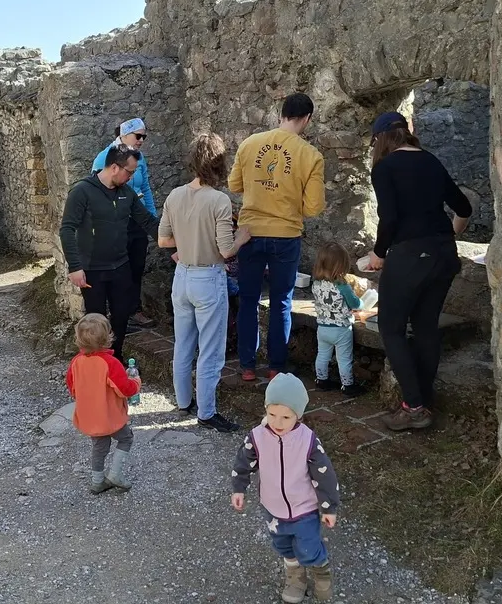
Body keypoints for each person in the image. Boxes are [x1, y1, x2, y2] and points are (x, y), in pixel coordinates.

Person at [363, 111, 472, 431]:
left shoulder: (384, 168)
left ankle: (413, 407)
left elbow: (391, 219)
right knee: (425, 325)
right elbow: (463, 208)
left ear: (381, 139)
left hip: (409, 255)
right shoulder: (431, 160)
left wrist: (378, 253)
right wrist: (448, 235)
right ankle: (423, 400)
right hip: (443, 255)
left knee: (390, 326)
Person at [156, 132, 251, 433]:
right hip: (207, 278)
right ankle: (207, 412)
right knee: (211, 349)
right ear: (220, 163)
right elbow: (226, 250)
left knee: (183, 343)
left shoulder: (174, 195)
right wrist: (243, 236)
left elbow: (162, 240)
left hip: (182, 276)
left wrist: (187, 242)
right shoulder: (219, 200)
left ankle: (184, 402)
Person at [229, 93, 327, 382]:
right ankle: (276, 366)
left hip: (251, 233)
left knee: (248, 299)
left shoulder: (249, 144)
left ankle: (247, 365)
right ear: (307, 119)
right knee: (281, 301)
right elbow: (313, 207)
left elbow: (234, 185)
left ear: (280, 113)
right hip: (285, 235)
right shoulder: (310, 155)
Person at [231, 373, 339, 603]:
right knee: (283, 546)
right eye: (271, 414)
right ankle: (296, 577)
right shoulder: (257, 437)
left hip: (304, 509)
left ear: (298, 416)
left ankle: (321, 572)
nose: (278, 422)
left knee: (308, 548)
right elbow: (243, 463)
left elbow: (324, 474)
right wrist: (239, 488)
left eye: (286, 417)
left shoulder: (307, 440)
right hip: (272, 508)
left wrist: (329, 507)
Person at [60, 146, 159, 362]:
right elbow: (67, 228)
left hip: (120, 267)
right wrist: (75, 267)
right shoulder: (82, 191)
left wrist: (177, 245)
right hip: (92, 270)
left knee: (122, 317)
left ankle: (116, 360)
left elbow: (148, 222)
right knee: (96, 320)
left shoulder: (127, 193)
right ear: (114, 167)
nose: (132, 177)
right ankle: (96, 364)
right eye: (129, 172)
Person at [91, 118, 157, 329]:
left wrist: (151, 218)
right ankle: (116, 313)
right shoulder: (104, 157)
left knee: (137, 266)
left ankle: (133, 310)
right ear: (124, 134)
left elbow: (145, 187)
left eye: (144, 137)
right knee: (118, 268)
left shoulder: (140, 158)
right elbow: (98, 192)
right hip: (116, 222)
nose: (141, 141)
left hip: (137, 219)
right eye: (138, 136)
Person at [65, 313, 141, 493]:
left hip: (89, 414)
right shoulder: (110, 363)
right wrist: (136, 381)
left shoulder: (76, 362)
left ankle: (97, 481)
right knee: (126, 438)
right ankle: (115, 473)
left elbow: (72, 387)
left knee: (99, 446)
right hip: (109, 414)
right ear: (108, 337)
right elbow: (125, 389)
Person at [310, 241, 366, 398]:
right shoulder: (342, 286)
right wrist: (363, 302)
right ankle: (348, 385)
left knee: (322, 355)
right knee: (344, 359)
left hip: (322, 327)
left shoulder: (316, 283)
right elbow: (355, 304)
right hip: (341, 329)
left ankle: (321, 380)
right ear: (342, 264)